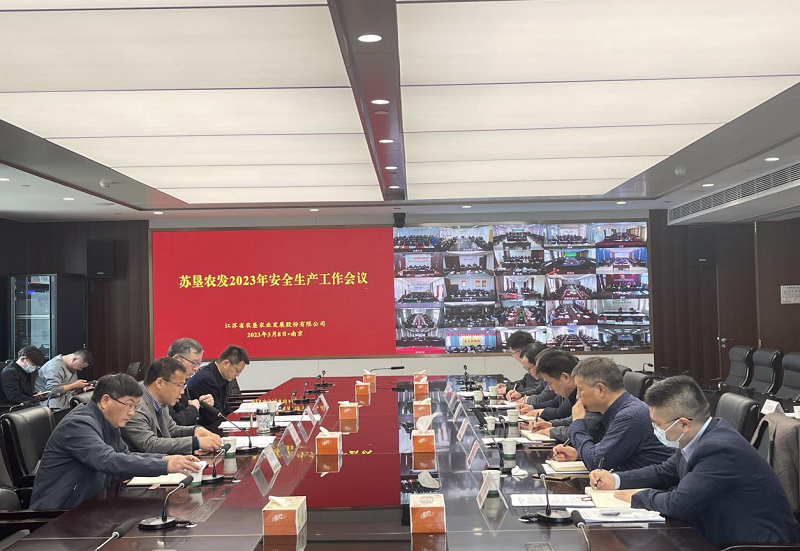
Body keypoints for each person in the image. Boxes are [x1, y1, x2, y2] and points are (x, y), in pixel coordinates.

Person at [589, 376, 800, 548]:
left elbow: (678, 504)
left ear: (683, 424)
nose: (655, 431)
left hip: (752, 543)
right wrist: (616, 479)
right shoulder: (701, 435)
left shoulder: (719, 449)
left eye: (657, 424)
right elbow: (664, 472)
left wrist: (640, 496)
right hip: (713, 530)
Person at [30, 373, 200, 510]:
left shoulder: (108, 421)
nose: (132, 412)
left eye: (136, 407)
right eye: (129, 405)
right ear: (105, 401)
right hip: (60, 513)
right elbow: (107, 460)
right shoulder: (78, 424)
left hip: (93, 506)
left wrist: (165, 458)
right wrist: (165, 466)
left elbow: (125, 455)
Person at [548, 357, 672, 470]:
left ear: (600, 390)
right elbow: (608, 455)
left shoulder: (629, 416)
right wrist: (578, 455)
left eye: (580, 389)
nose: (577, 396)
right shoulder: (621, 409)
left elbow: (596, 463)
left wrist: (578, 422)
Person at [121, 357, 222, 454]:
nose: (182, 392)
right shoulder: (134, 405)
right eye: (180, 385)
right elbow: (150, 444)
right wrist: (195, 442)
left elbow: (172, 429)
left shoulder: (161, 400)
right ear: (160, 383)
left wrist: (195, 430)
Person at [188, 345, 249, 427]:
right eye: (238, 370)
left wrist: (235, 419)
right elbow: (214, 416)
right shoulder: (207, 379)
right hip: (203, 427)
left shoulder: (221, 374)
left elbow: (225, 406)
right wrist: (233, 423)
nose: (237, 375)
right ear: (226, 364)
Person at [166, 338, 214, 426]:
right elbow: (173, 424)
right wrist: (193, 408)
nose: (196, 368)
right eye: (194, 363)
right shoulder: (165, 383)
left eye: (199, 364)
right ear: (177, 359)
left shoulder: (184, 379)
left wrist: (204, 405)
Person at [496, 331, 537, 400]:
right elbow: (524, 382)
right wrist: (507, 386)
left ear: (521, 352)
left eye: (513, 353)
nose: (513, 356)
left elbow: (537, 389)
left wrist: (507, 389)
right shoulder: (531, 364)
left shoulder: (538, 362)